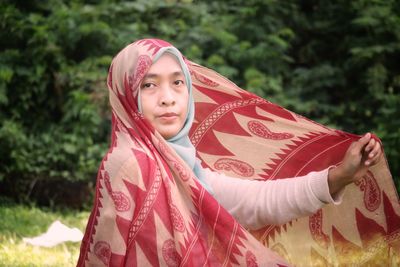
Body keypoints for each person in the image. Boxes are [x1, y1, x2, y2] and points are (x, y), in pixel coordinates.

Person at [77, 39, 393, 267]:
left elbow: (255, 201)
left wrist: (340, 177)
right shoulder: (129, 163)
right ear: (126, 96)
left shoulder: (186, 169)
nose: (167, 98)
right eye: (149, 85)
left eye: (177, 83)